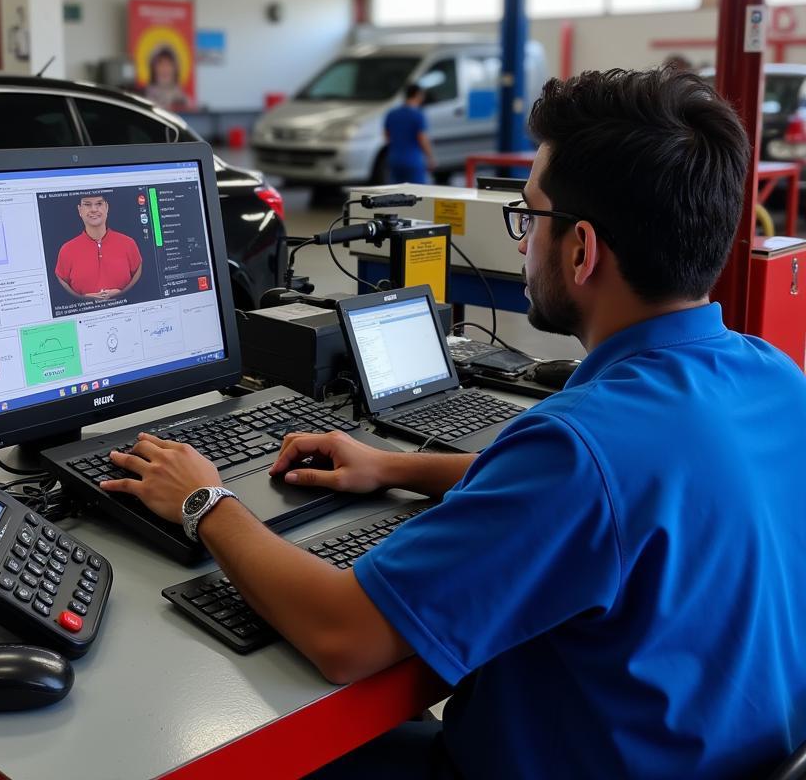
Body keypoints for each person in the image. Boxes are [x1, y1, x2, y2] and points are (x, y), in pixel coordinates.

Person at [100, 68, 806, 779]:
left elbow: (342, 635)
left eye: (529, 217)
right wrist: (393, 465)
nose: (524, 240)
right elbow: (618, 505)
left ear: (582, 249)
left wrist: (205, 501)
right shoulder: (775, 378)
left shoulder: (579, 452)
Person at [54, 193, 142, 302]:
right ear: (80, 210)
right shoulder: (67, 250)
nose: (94, 209)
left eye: (99, 204)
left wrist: (121, 294)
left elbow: (139, 280)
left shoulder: (128, 243)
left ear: (107, 207)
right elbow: (62, 286)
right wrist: (84, 299)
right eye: (87, 204)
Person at [383, 82, 435, 184]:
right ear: (418, 94)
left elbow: (387, 136)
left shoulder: (392, 114)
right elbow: (422, 138)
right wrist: (430, 157)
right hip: (413, 160)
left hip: (394, 159)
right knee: (418, 193)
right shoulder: (418, 115)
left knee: (396, 194)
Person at [145, 46, 193, 112]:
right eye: (160, 64)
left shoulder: (185, 102)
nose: (165, 69)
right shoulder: (144, 101)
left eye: (169, 65)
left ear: (176, 69)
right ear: (153, 69)